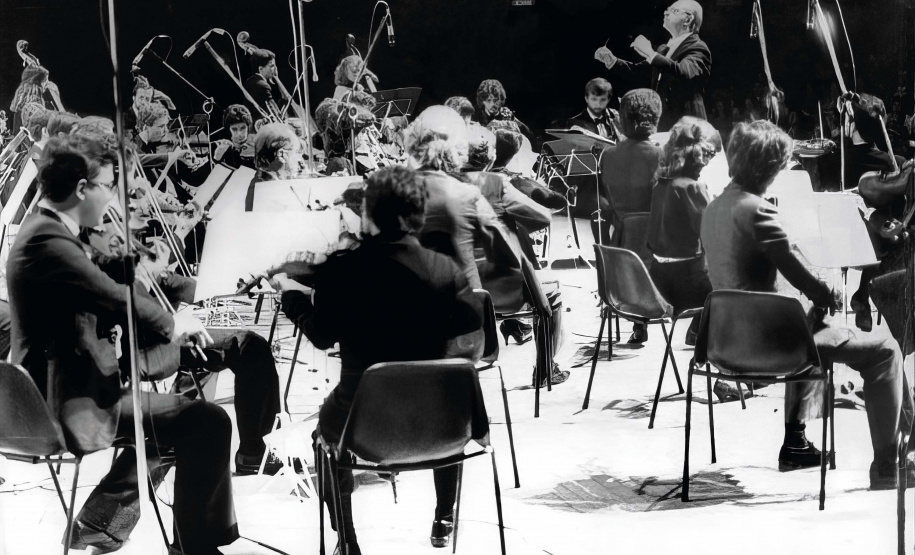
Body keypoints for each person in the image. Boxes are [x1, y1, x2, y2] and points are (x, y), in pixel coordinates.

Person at [7, 133, 237, 553]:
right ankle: (195, 547)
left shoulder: (50, 231)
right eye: (110, 186)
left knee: (175, 419)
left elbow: (99, 280)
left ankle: (104, 524)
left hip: (65, 389)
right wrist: (173, 325)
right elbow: (109, 296)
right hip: (59, 404)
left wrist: (134, 262)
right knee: (206, 421)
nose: (114, 198)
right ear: (82, 189)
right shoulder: (47, 240)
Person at [700, 120, 914, 488]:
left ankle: (796, 442)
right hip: (769, 347)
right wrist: (830, 289)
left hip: (724, 339)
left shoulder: (714, 207)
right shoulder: (760, 212)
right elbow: (812, 285)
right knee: (885, 350)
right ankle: (890, 465)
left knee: (814, 321)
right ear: (769, 167)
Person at [297, 165, 482, 554]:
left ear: (368, 213)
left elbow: (321, 335)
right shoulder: (443, 269)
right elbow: (470, 318)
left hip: (362, 427)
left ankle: (347, 541)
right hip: (443, 427)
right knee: (446, 394)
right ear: (417, 212)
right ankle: (444, 516)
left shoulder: (342, 271)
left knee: (322, 436)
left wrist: (290, 298)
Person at [646, 116, 719, 351]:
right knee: (737, 281)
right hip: (687, 286)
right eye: (705, 161)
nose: (704, 167)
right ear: (696, 158)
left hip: (659, 280)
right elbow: (713, 235)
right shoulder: (692, 187)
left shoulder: (661, 185)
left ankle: (698, 330)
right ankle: (727, 350)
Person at [599, 88, 664, 343]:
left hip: (621, 250)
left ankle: (638, 320)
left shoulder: (608, 155)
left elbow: (607, 200)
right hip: (655, 249)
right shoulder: (660, 154)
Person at [595, 0, 710, 131]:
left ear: (688, 20)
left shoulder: (698, 47)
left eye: (674, 11)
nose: (666, 12)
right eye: (667, 9)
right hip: (665, 125)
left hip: (689, 127)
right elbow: (638, 73)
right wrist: (611, 60)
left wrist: (650, 53)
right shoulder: (664, 49)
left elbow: (684, 73)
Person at [566, 77, 622, 142]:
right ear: (586, 98)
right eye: (594, 99)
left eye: (603, 100)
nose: (598, 104)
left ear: (608, 100)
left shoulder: (616, 116)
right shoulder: (575, 122)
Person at [243, 48, 284, 121]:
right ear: (261, 69)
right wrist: (276, 78)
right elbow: (275, 113)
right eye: (271, 66)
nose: (275, 69)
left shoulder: (249, 81)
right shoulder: (263, 85)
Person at [213, 104, 255, 169]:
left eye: (243, 128)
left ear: (248, 127)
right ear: (229, 130)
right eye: (234, 129)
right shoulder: (226, 149)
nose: (239, 134)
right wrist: (216, 159)